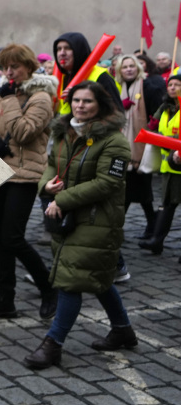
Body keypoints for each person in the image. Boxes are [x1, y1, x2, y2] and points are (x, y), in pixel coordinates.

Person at [26, 82, 136, 368]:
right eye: (76, 100)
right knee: (98, 277)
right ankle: (123, 330)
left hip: (97, 219)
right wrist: (45, 184)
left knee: (70, 281)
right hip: (67, 219)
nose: (80, 105)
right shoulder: (65, 130)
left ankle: (53, 344)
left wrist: (62, 199)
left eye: (87, 101)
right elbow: (52, 163)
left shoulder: (114, 141)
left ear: (101, 104)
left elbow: (108, 183)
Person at [0, 44, 58, 320]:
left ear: (29, 67)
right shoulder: (1, 94)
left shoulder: (41, 96)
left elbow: (23, 132)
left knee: (12, 237)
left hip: (24, 175)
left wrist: (10, 100)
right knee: (1, 240)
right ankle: (4, 299)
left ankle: (49, 288)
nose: (9, 72)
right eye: (5, 67)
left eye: (15, 67)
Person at [115, 55, 161, 243]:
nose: (128, 69)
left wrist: (153, 125)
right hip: (125, 145)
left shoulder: (147, 86)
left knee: (139, 190)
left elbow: (156, 112)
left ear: (138, 68)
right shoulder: (121, 88)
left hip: (142, 147)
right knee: (133, 190)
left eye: (132, 66)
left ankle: (122, 227)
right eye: (125, 67)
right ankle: (151, 226)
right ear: (120, 71)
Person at [142, 73, 181, 254]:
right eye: (170, 84)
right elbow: (154, 127)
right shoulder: (165, 107)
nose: (172, 87)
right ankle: (157, 240)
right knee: (167, 203)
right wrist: (153, 124)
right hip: (169, 166)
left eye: (177, 85)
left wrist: (167, 140)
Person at [53, 33, 119, 115]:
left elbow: (116, 113)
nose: (62, 53)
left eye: (68, 48)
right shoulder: (59, 78)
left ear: (79, 51)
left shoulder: (101, 76)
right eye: (58, 49)